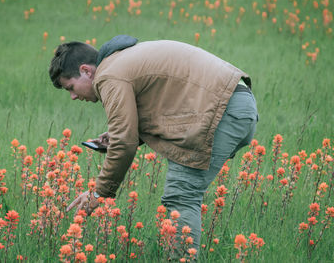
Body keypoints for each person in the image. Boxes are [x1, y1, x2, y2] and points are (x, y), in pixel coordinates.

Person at [48, 35, 258, 252]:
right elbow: (154, 108)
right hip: (236, 103)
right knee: (183, 193)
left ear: (86, 70)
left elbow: (123, 143)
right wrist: (126, 134)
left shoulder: (109, 75)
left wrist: (99, 193)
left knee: (182, 196)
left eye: (70, 87)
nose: (73, 96)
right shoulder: (121, 61)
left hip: (221, 110)